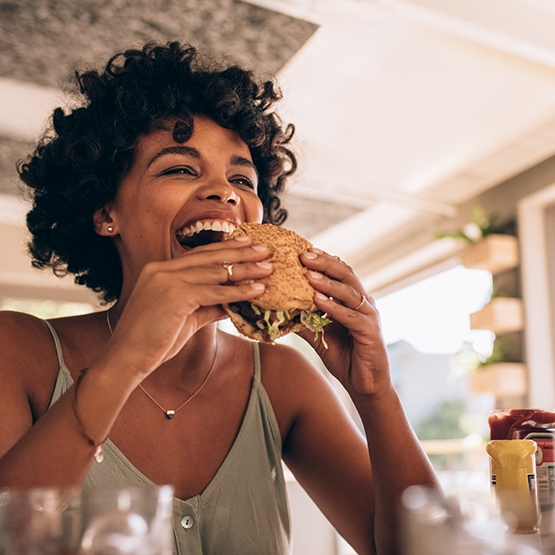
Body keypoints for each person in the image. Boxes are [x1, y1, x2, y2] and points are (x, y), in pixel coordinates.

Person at [0, 41, 439, 555]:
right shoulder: (19, 350)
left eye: (241, 179)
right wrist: (126, 361)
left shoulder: (282, 380)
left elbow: (422, 550)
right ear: (104, 214)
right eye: (180, 169)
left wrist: (375, 392)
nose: (225, 193)